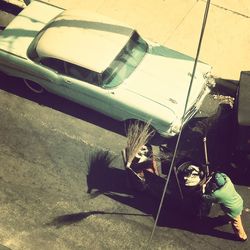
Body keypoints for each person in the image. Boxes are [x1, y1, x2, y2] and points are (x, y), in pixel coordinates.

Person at [202, 172, 248, 241]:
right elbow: (224, 175)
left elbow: (205, 197)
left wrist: (203, 188)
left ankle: (242, 237)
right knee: (231, 215)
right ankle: (226, 219)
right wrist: (216, 174)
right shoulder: (228, 181)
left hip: (234, 209)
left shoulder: (218, 194)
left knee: (236, 223)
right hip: (238, 201)